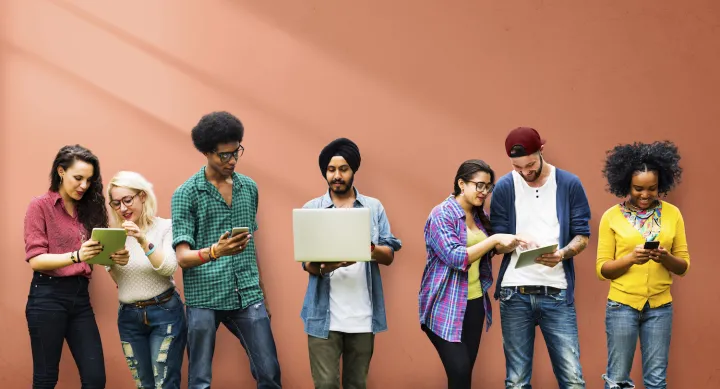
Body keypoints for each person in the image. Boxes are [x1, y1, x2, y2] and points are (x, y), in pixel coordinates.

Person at [171, 111, 281, 389]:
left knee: (269, 373)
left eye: (236, 152)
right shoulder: (185, 194)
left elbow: (249, 247)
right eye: (224, 155)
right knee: (200, 381)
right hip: (204, 298)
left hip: (247, 293)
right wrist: (216, 252)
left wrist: (262, 297)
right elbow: (182, 259)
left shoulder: (249, 188)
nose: (232, 160)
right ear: (207, 152)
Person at [489, 127, 591, 389]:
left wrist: (562, 254)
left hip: (557, 293)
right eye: (517, 166)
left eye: (530, 164)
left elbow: (583, 235)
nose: (525, 172)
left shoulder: (569, 184)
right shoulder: (504, 186)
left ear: (541, 151)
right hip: (514, 293)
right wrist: (510, 240)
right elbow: (496, 243)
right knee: (516, 381)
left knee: (572, 379)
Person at [24, 144, 129, 389]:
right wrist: (76, 255)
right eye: (78, 178)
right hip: (47, 296)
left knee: (95, 379)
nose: (84, 185)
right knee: (46, 379)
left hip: (80, 299)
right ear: (61, 171)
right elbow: (36, 260)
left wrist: (115, 258)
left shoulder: (89, 210)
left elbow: (95, 257)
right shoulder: (39, 206)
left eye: (89, 180)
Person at [300, 138, 402, 389]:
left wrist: (366, 247)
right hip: (323, 317)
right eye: (331, 169)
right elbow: (307, 265)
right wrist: (327, 267)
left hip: (363, 316)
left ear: (353, 170)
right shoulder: (311, 209)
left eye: (343, 169)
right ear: (325, 171)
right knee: (325, 385)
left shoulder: (373, 207)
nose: (337, 175)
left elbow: (388, 255)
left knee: (357, 384)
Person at [419, 159, 525, 389]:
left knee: (463, 377)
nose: (484, 192)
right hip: (444, 305)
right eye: (479, 185)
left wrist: (509, 245)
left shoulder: (479, 216)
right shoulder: (441, 215)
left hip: (475, 303)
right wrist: (495, 239)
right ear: (461, 184)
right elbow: (457, 257)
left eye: (488, 187)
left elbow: (487, 250)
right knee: (459, 369)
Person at [596, 141, 690, 389]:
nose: (645, 195)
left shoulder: (673, 214)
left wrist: (665, 257)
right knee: (617, 379)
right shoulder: (611, 217)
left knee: (656, 380)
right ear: (626, 183)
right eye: (638, 188)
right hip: (621, 306)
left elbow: (683, 266)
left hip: (660, 307)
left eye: (652, 188)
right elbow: (602, 270)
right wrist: (630, 259)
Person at [106, 171, 187, 389]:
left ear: (142, 196)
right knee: (144, 385)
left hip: (165, 313)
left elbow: (169, 268)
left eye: (127, 200)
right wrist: (114, 261)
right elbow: (119, 279)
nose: (122, 208)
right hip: (128, 317)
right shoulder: (114, 235)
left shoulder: (165, 227)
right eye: (116, 203)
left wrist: (142, 240)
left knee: (165, 384)